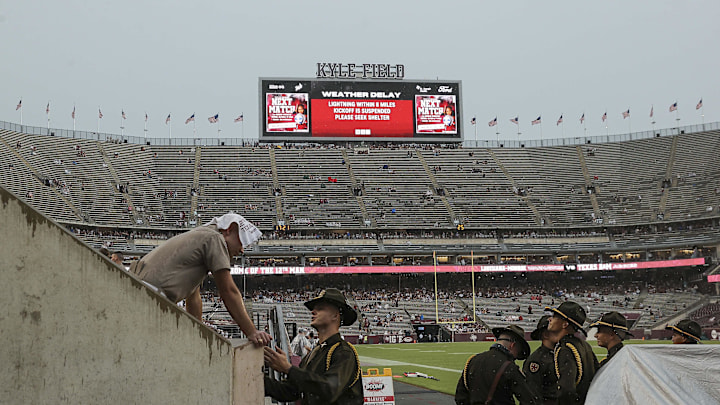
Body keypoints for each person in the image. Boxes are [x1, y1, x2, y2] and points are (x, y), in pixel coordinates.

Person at [129, 212, 270, 346]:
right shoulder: (215, 239)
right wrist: (252, 332)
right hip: (149, 299)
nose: (242, 250)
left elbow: (194, 296)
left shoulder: (200, 237)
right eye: (242, 242)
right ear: (229, 230)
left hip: (139, 294)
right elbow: (228, 291)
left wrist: (198, 333)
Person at [264, 288, 362, 405]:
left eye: (320, 308)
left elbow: (330, 389)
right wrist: (255, 379)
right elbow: (291, 391)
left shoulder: (343, 352)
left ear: (335, 316)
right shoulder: (314, 353)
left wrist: (288, 369)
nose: (313, 311)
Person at [455, 325, 538, 405]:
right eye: (518, 352)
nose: (515, 357)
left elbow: (460, 397)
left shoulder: (473, 360)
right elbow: (529, 400)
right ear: (512, 345)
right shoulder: (510, 368)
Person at [546, 301, 599, 404]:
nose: (549, 319)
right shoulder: (584, 345)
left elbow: (567, 390)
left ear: (565, 324)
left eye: (555, 317)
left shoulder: (565, 349)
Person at [523, 315, 559, 404]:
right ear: (546, 334)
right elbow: (533, 393)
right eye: (556, 331)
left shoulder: (560, 354)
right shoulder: (536, 360)